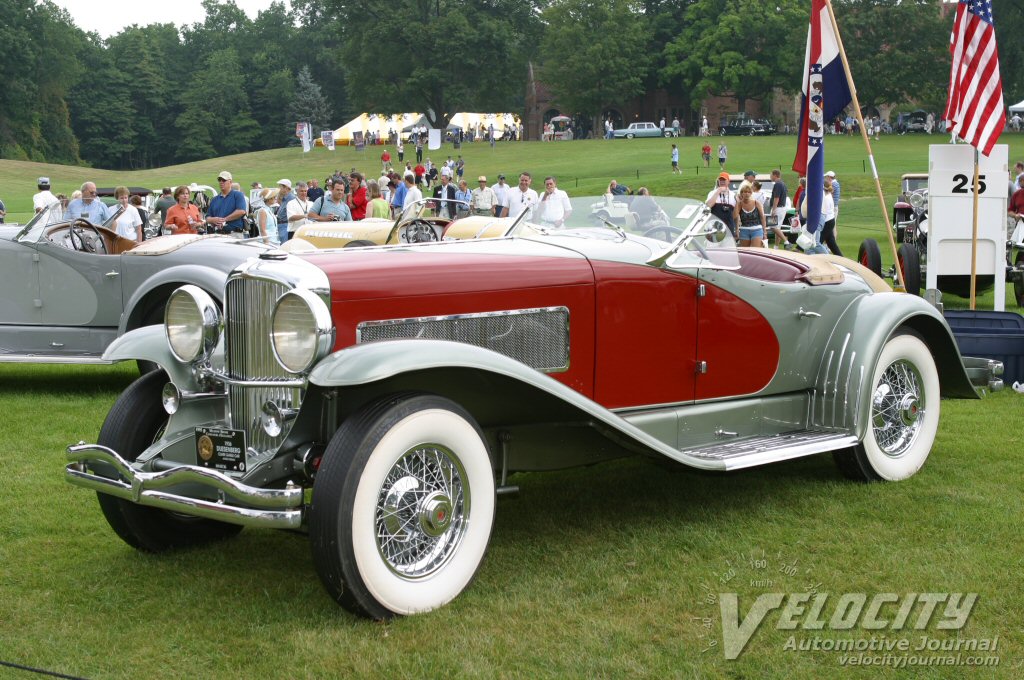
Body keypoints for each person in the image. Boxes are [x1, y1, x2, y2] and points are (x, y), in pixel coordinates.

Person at [206, 171, 248, 237]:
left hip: (234, 234)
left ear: (230, 182)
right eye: (219, 180)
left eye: (224, 180)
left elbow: (241, 211)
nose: (221, 182)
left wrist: (224, 219)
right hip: (218, 235)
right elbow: (207, 217)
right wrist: (213, 220)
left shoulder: (237, 195)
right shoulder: (214, 199)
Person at [733, 183, 765, 248]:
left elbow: (762, 217)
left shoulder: (756, 203)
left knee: (755, 251)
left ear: (751, 193)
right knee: (746, 252)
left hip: (757, 229)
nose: (747, 194)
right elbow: (735, 216)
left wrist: (765, 232)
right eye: (745, 192)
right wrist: (737, 202)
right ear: (741, 194)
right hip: (744, 230)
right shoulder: (739, 204)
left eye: (748, 192)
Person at [768, 169, 790, 249]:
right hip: (782, 208)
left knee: (772, 226)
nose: (770, 176)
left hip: (777, 208)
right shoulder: (783, 183)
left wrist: (773, 209)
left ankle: (786, 242)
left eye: (771, 175)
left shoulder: (777, 184)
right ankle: (776, 247)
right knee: (778, 228)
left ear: (775, 175)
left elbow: (776, 198)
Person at [819, 179, 841, 256]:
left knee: (817, 242)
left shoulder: (825, 197)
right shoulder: (828, 195)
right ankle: (841, 258)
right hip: (830, 221)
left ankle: (826, 256)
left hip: (827, 221)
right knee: (832, 244)